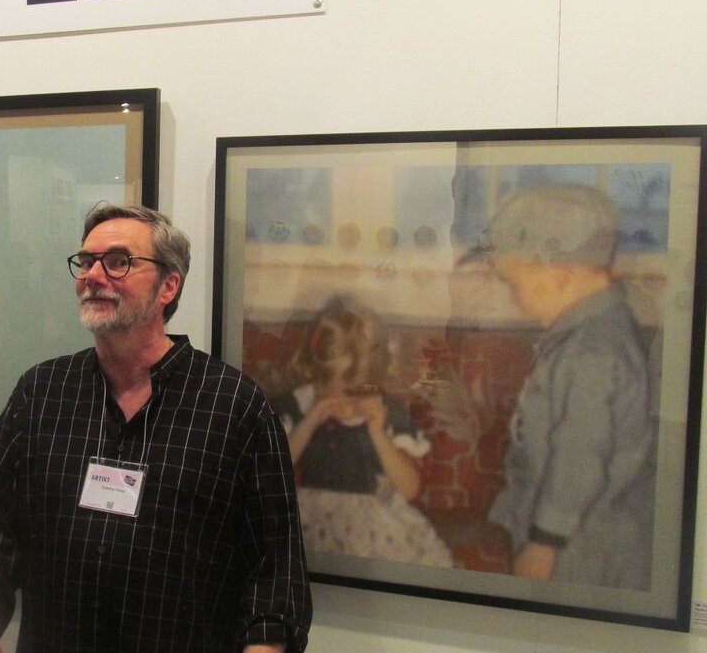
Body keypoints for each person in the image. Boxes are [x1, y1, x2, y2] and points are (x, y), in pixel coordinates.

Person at [0, 203, 311, 653]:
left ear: (169, 286)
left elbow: (275, 569)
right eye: (86, 261)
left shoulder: (236, 408)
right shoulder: (41, 395)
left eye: (118, 261)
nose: (93, 275)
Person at [467, 184, 655, 589]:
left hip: (579, 545)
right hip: (573, 533)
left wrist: (544, 544)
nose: (513, 299)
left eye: (515, 284)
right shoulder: (588, 332)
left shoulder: (592, 353)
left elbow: (579, 458)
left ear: (561, 277)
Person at [278, 295, 453, 567]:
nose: (345, 404)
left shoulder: (388, 414)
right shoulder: (299, 405)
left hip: (373, 522)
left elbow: (410, 488)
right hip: (311, 519)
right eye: (331, 393)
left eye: (354, 393)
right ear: (314, 374)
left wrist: (378, 434)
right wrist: (310, 421)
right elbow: (272, 472)